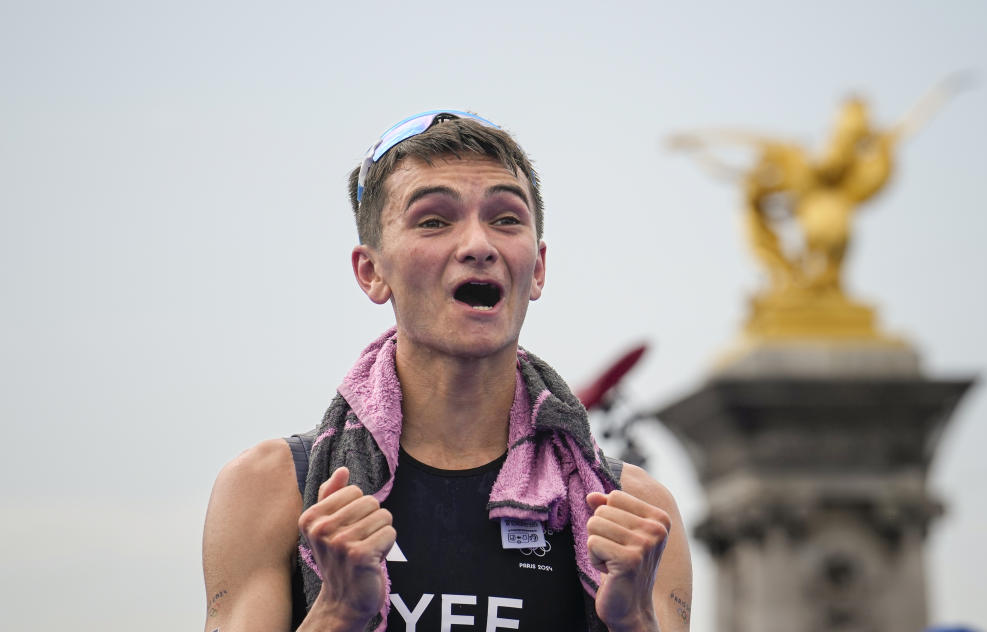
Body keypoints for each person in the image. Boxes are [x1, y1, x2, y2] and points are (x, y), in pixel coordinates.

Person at [202, 110, 693, 631]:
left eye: (506, 219)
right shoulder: (275, 488)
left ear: (538, 268)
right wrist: (337, 611)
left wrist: (636, 620)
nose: (478, 245)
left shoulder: (633, 513)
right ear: (372, 272)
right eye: (434, 220)